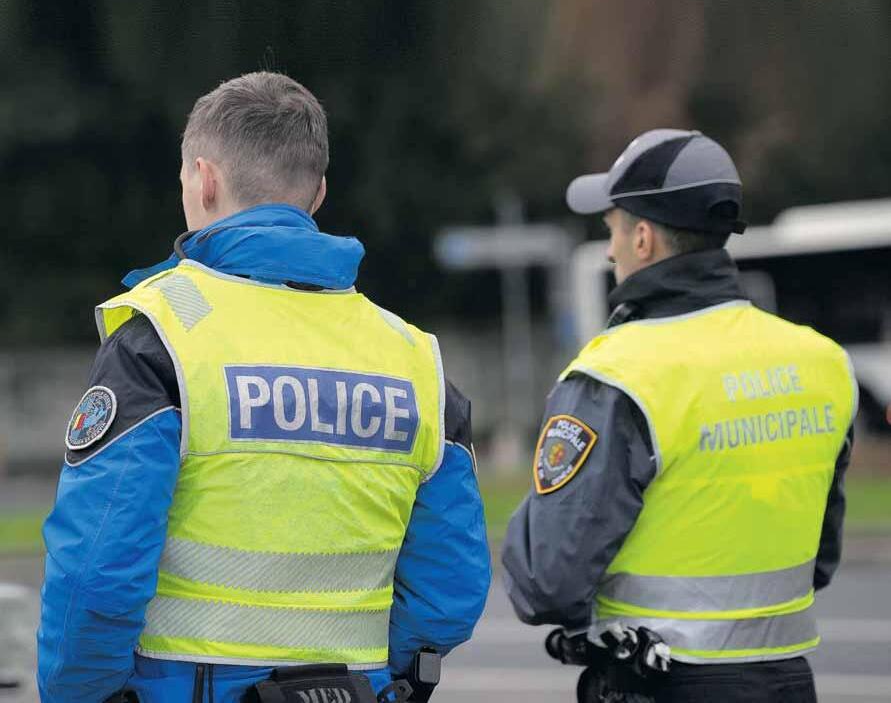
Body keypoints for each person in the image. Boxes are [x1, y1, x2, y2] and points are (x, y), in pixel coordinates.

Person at [38, 71, 491, 703]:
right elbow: (450, 591)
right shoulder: (412, 358)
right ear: (318, 194)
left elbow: (97, 572)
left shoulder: (163, 338)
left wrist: (79, 692)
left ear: (204, 180)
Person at [501, 129, 857, 702]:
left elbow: (547, 580)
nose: (610, 249)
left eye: (612, 229)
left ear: (643, 239)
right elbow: (819, 559)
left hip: (661, 683)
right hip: (788, 682)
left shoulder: (619, 374)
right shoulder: (823, 363)